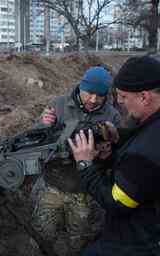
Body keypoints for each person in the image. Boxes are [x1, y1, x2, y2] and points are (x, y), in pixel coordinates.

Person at [68, 55, 160, 256]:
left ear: (144, 97)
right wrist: (118, 142)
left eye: (123, 97)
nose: (119, 102)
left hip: (138, 241)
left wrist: (85, 165)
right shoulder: (151, 127)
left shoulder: (148, 150)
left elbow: (116, 202)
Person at [31, 66, 121, 255]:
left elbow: (118, 156)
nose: (93, 100)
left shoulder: (112, 116)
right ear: (81, 86)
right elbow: (35, 141)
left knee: (80, 239)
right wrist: (42, 124)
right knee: (43, 233)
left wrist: (107, 154)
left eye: (100, 95)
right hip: (52, 186)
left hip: (85, 193)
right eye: (89, 93)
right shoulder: (59, 105)